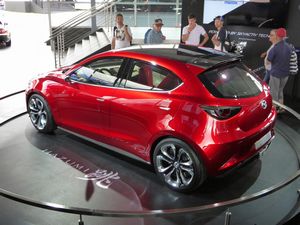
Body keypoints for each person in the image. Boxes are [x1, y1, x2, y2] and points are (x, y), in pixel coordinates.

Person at [267, 28, 292, 112]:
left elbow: (269, 60)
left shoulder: (274, 48)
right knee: (280, 91)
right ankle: (281, 108)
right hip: (285, 74)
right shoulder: (289, 47)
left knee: (274, 92)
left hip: (276, 73)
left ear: (277, 36)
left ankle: (273, 110)